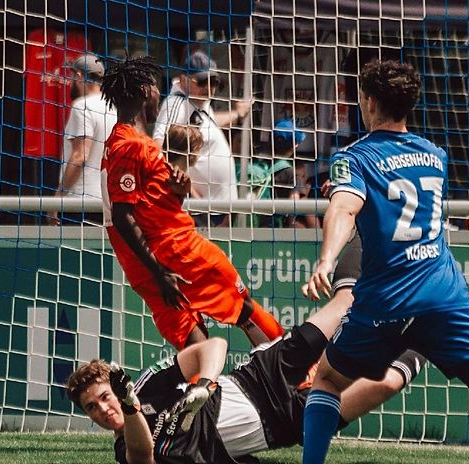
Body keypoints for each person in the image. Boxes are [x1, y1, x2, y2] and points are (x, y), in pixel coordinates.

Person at [301, 59, 469, 464]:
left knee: (327, 379)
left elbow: (344, 209)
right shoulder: (434, 155)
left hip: (385, 300)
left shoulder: (354, 158)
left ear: (368, 102)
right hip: (444, 298)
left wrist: (326, 260)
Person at [64, 240, 426, 464]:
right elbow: (142, 457)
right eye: (91, 408)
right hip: (283, 425)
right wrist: (129, 408)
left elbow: (214, 345)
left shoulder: (150, 385)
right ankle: (432, 332)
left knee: (346, 303)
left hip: (259, 377)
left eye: (103, 397)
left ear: (115, 384)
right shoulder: (124, 451)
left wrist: (204, 383)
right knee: (385, 384)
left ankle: (372, 225)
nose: (102, 409)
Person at [100, 55, 283, 349]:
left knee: (195, 341)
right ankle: (299, 379)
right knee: (242, 305)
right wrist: (158, 271)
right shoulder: (130, 146)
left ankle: (201, 389)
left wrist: (177, 189)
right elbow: (122, 214)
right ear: (146, 91)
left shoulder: (121, 142)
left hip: (156, 255)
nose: (160, 92)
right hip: (174, 248)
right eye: (156, 87)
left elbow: (146, 201)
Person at [152, 51, 250, 228]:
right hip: (203, 210)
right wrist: (189, 191)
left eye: (214, 82)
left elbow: (210, 123)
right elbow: (160, 148)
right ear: (183, 80)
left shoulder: (198, 103)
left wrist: (237, 114)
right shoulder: (177, 104)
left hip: (216, 208)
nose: (209, 88)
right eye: (203, 81)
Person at [49, 54, 118, 225]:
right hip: (108, 200)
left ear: (78, 76)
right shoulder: (113, 107)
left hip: (80, 202)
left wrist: (57, 200)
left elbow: (80, 156)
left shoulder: (82, 106)